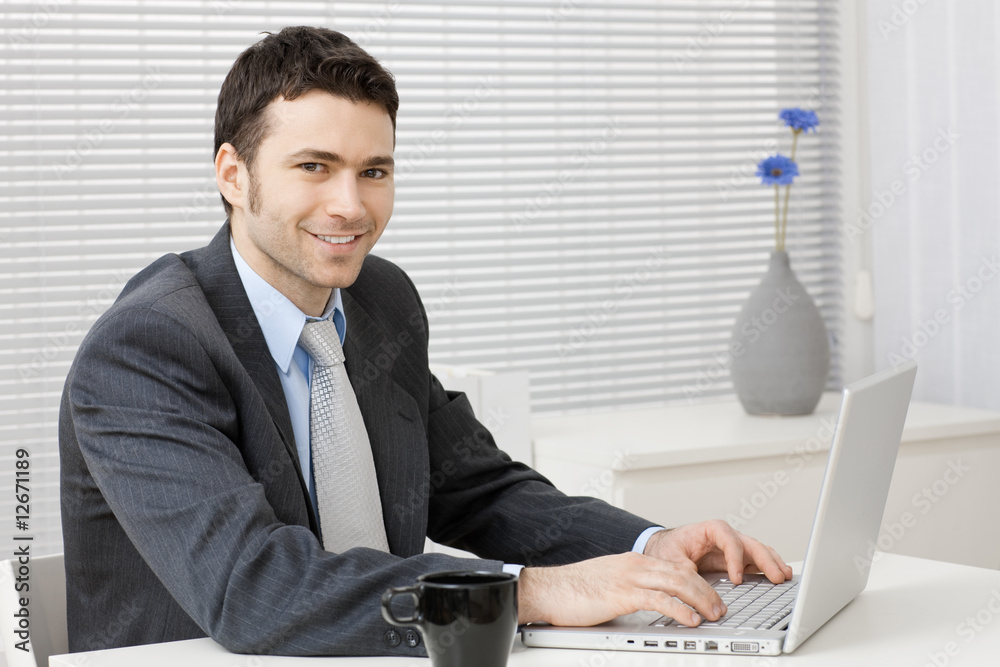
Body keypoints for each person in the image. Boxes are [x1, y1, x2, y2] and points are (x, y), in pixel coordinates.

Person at [59, 26, 791, 658]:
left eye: (373, 171)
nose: (350, 205)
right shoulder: (148, 348)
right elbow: (254, 588)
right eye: (314, 167)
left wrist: (646, 546)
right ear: (233, 174)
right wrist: (532, 590)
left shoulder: (381, 300)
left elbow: (473, 484)